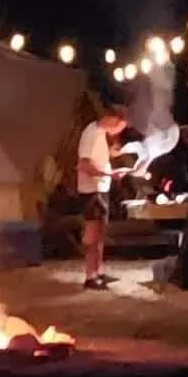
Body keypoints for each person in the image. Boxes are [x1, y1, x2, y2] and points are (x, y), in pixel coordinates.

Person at [76, 105, 129, 290]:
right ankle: (90, 277)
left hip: (100, 190)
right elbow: (83, 166)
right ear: (112, 119)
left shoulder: (99, 134)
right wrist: (109, 175)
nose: (118, 131)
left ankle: (97, 272)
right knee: (93, 235)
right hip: (92, 192)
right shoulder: (92, 134)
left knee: (100, 234)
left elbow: (97, 163)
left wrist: (111, 172)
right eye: (120, 126)